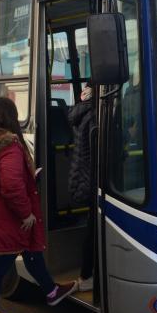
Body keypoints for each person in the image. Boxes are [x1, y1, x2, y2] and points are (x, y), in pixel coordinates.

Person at [0, 98, 77, 313]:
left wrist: (27, 177)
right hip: (5, 217)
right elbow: (11, 186)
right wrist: (26, 214)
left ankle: (51, 291)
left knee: (26, 250)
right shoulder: (8, 146)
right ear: (9, 117)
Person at [67, 85, 96, 292]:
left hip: (81, 176)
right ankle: (87, 275)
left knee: (92, 226)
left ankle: (87, 274)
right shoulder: (95, 115)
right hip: (93, 178)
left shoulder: (81, 113)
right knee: (94, 228)